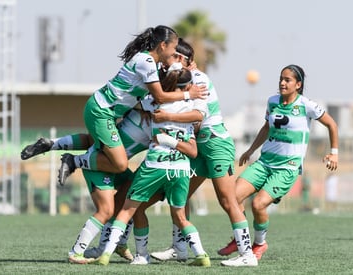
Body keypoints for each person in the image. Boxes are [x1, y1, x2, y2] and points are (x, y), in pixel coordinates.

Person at [148, 38, 258, 267]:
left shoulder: (199, 79)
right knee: (180, 196)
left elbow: (198, 116)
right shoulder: (181, 80)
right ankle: (179, 248)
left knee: (227, 201)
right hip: (199, 148)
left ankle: (248, 255)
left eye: (174, 56)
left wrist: (166, 116)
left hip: (216, 144)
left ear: (184, 59)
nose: (170, 60)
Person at [217, 64, 339, 261]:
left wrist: (334, 153)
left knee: (258, 205)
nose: (282, 83)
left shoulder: (306, 105)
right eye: (281, 79)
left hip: (286, 168)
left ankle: (259, 244)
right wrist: (250, 150)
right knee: (231, 198)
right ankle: (240, 238)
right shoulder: (272, 101)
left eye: (287, 80)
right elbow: (266, 128)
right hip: (264, 162)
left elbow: (332, 124)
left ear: (298, 84)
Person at [57, 25, 206, 186]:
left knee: (100, 150)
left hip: (108, 114)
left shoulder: (152, 64)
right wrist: (188, 94)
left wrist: (188, 69)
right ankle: (73, 160)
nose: (174, 53)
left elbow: (166, 81)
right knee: (119, 164)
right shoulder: (147, 61)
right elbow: (160, 97)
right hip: (101, 110)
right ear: (163, 45)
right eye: (174, 48)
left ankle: (53, 146)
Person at [96, 66, 211, 267]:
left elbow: (135, 102)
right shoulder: (192, 110)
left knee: (127, 210)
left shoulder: (154, 103)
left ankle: (111, 254)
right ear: (188, 86)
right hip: (181, 168)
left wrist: (164, 138)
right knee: (181, 217)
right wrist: (174, 139)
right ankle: (201, 255)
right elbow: (193, 150)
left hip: (155, 164)